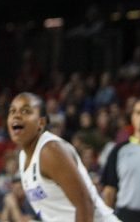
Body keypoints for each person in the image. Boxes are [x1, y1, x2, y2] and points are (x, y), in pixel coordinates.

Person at [7, 92, 119, 222]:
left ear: (41, 122)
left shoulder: (50, 151)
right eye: (12, 111)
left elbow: (84, 204)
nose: (16, 115)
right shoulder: (23, 156)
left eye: (26, 111)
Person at [100, 97, 140, 222]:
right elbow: (109, 190)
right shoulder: (118, 151)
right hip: (126, 216)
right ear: (133, 118)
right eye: (138, 112)